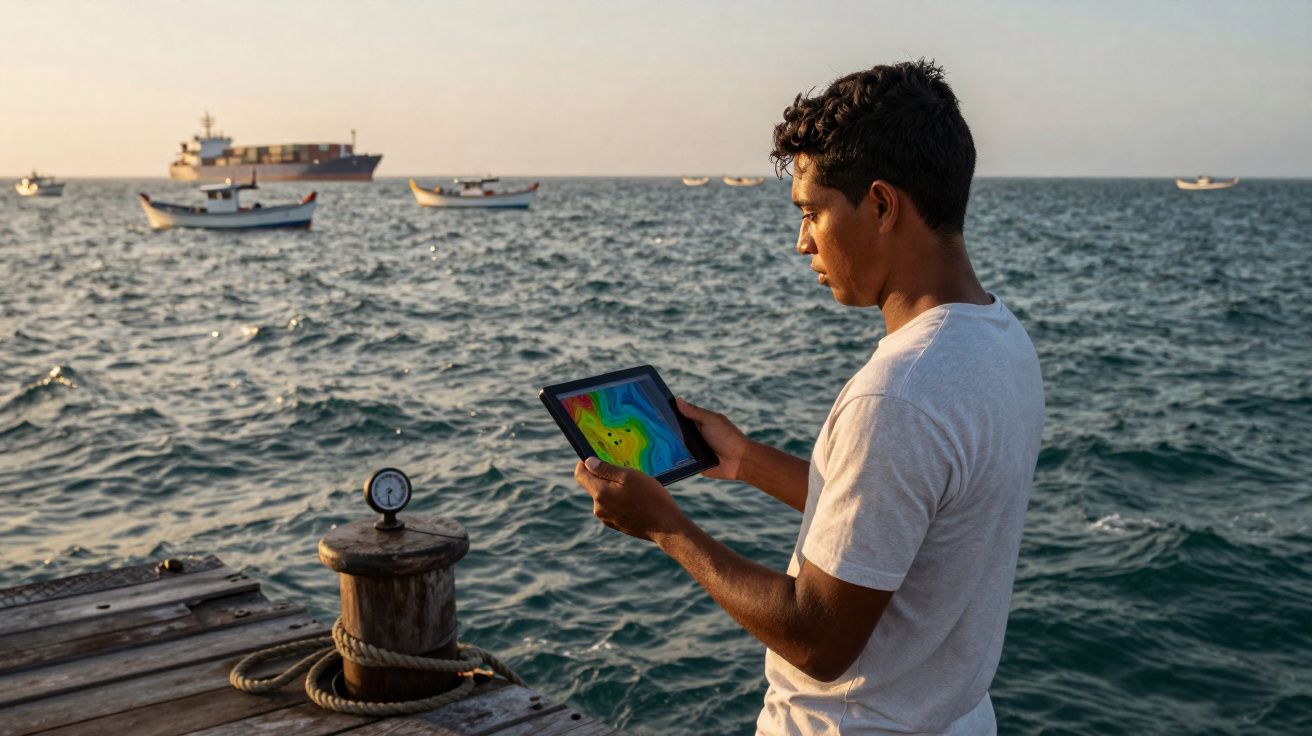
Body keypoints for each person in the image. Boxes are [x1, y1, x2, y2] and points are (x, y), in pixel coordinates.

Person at [573, 59, 1044, 735]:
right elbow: (896, 516)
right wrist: (745, 460)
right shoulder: (1001, 340)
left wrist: (666, 528)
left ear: (881, 205)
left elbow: (818, 640)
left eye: (812, 212)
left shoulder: (897, 395)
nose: (802, 243)